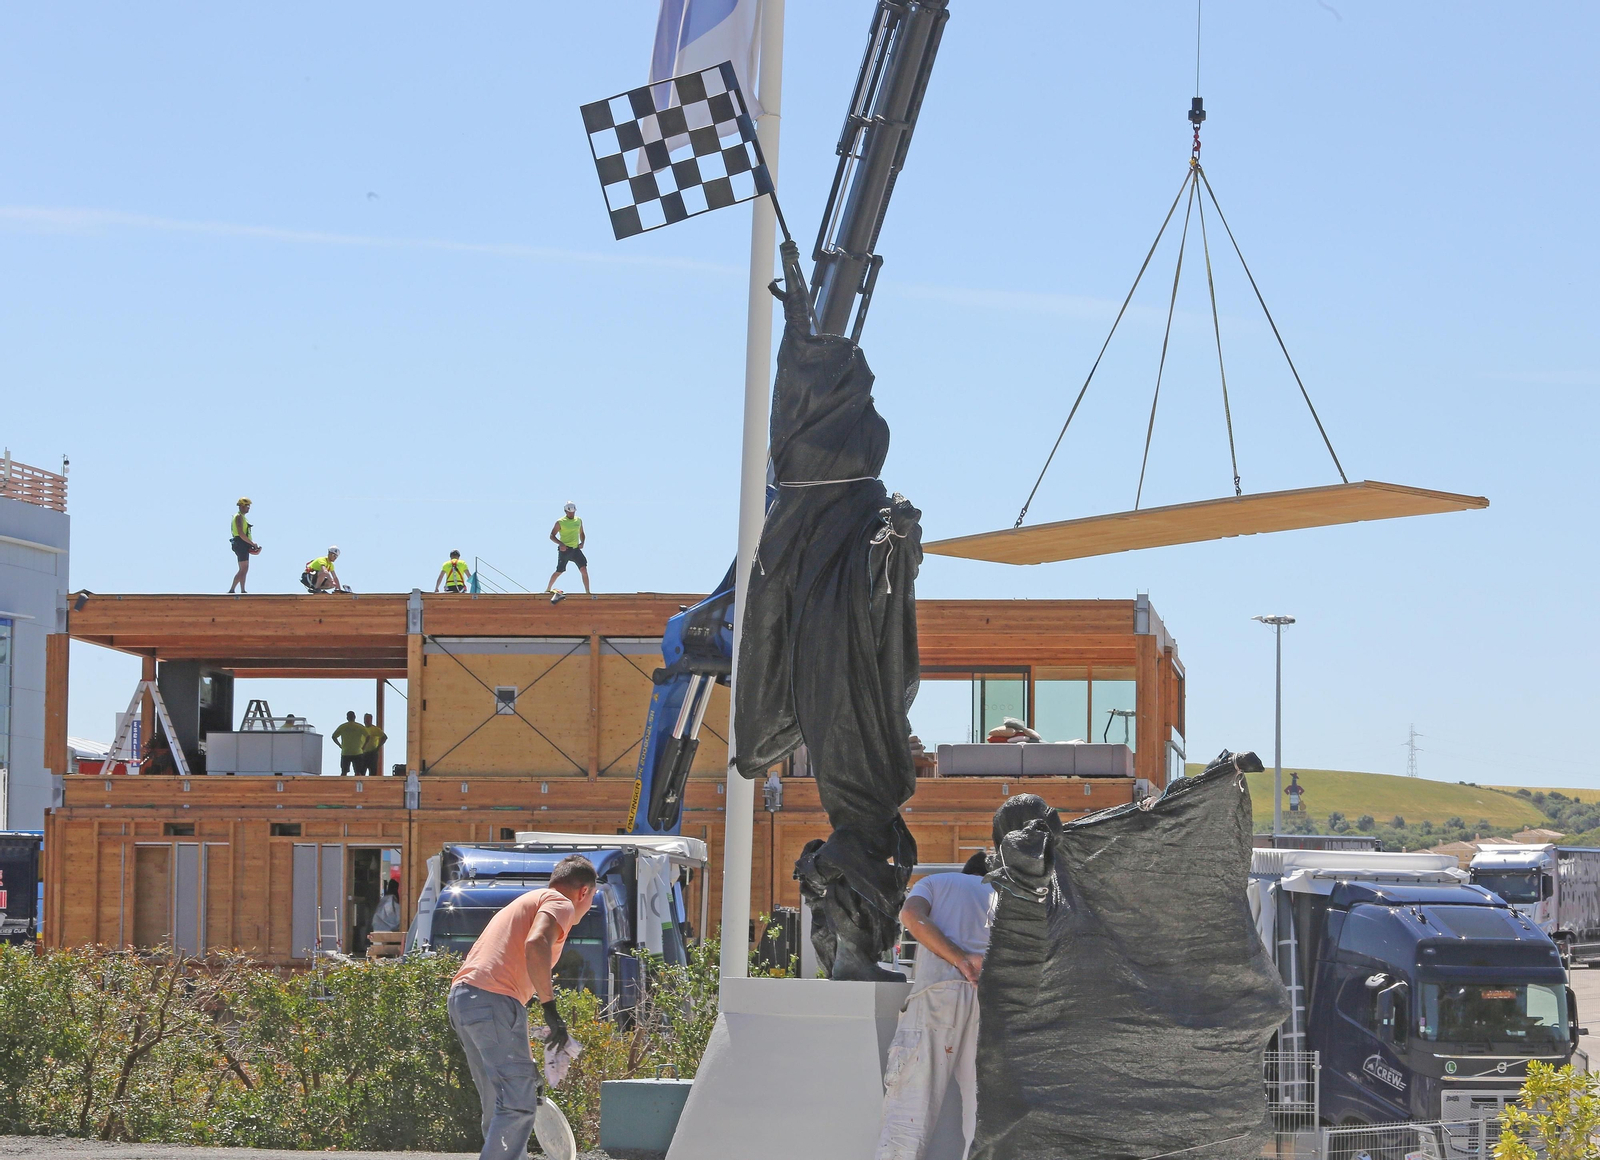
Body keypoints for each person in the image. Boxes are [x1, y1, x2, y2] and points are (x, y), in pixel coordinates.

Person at [449, 854, 597, 1160]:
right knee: (516, 1103)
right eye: (591, 897)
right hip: (493, 999)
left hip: (466, 1000)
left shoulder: (528, 900)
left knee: (501, 1102)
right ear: (584, 891)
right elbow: (536, 943)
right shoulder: (560, 902)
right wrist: (550, 1008)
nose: (588, 904)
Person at [876, 852, 997, 1160]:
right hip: (989, 1001)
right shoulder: (1001, 893)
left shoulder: (935, 882)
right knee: (983, 1116)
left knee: (910, 1111)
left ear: (966, 870)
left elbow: (910, 916)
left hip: (938, 995)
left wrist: (959, 958)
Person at [545, 503, 591, 599]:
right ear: (565, 511)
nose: (572, 514)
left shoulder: (578, 520)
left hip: (576, 550)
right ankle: (548, 589)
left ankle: (588, 592)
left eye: (573, 512)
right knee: (559, 571)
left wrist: (582, 542)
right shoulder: (560, 522)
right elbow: (552, 536)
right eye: (570, 513)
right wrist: (560, 544)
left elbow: (582, 533)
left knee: (584, 569)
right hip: (565, 550)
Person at [227, 497, 260, 594]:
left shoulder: (241, 517)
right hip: (240, 543)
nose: (248, 508)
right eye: (247, 506)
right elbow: (241, 533)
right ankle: (232, 589)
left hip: (242, 543)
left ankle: (242, 589)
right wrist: (252, 543)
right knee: (243, 568)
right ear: (241, 506)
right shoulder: (238, 517)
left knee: (245, 568)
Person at [332, 711, 366, 776]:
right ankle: (358, 785)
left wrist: (340, 745)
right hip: (357, 751)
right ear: (355, 717)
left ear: (347, 718)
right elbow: (368, 736)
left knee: (344, 772)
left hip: (346, 751)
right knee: (358, 772)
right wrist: (364, 746)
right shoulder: (360, 726)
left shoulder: (343, 726)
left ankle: (342, 785)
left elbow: (334, 736)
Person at [358, 712, 387, 776]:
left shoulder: (375, 729)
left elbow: (384, 737)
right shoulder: (363, 729)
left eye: (367, 719)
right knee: (361, 771)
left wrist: (378, 747)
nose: (366, 721)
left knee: (372, 771)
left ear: (371, 720)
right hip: (363, 753)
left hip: (372, 753)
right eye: (365, 719)